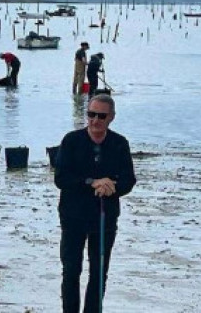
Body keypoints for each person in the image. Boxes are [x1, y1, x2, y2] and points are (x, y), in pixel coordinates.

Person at [54, 94, 136, 313]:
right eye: (91, 114)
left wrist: (112, 187)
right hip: (73, 215)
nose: (95, 120)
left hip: (104, 217)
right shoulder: (71, 140)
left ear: (111, 117)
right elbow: (61, 178)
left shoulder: (119, 143)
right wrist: (92, 183)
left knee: (99, 272)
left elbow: (128, 180)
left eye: (101, 116)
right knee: (71, 270)